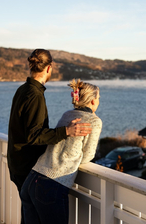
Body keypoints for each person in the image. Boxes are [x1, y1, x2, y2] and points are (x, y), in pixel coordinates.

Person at [7, 49, 92, 223]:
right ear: (49, 67)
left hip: (17, 163)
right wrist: (66, 131)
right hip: (27, 166)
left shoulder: (23, 90)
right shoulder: (34, 95)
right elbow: (34, 135)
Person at [20, 79, 102, 224]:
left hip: (32, 179)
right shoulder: (94, 121)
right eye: (98, 98)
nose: (99, 101)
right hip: (51, 185)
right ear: (93, 101)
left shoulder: (67, 114)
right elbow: (88, 156)